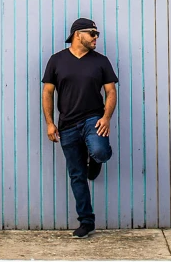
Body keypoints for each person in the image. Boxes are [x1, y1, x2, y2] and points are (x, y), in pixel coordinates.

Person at [42, 17, 118, 239]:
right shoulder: (56, 61)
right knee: (77, 175)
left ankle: (95, 160)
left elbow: (111, 92)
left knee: (100, 151)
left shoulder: (101, 61)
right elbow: (48, 92)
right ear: (78, 35)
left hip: (93, 120)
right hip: (67, 125)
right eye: (92, 34)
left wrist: (106, 117)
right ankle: (86, 222)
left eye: (97, 35)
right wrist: (49, 123)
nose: (96, 38)